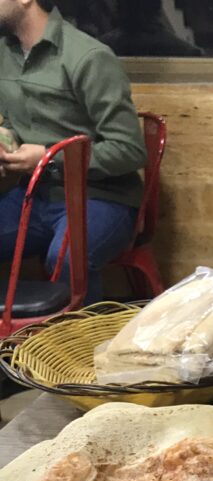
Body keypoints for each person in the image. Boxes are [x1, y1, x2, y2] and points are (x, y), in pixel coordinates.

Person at [0, 1, 147, 305]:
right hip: (34, 194)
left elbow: (129, 150)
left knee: (66, 257)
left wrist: (47, 159)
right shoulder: (4, 54)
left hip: (101, 196)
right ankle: (15, 342)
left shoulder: (88, 57)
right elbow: (13, 122)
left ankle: (76, 347)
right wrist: (6, 144)